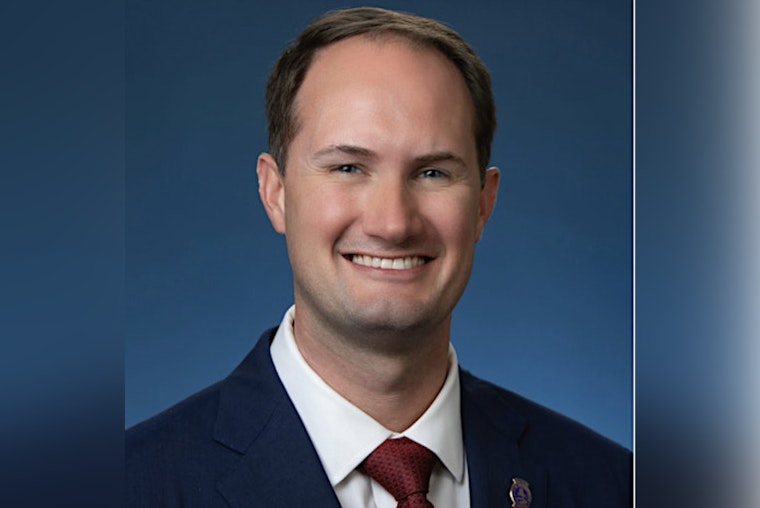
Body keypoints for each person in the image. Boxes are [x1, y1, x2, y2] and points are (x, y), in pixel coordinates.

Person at [126, 7, 631, 507]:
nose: (393, 224)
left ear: (483, 203)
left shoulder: (613, 485)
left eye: (432, 173)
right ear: (275, 192)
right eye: (348, 167)